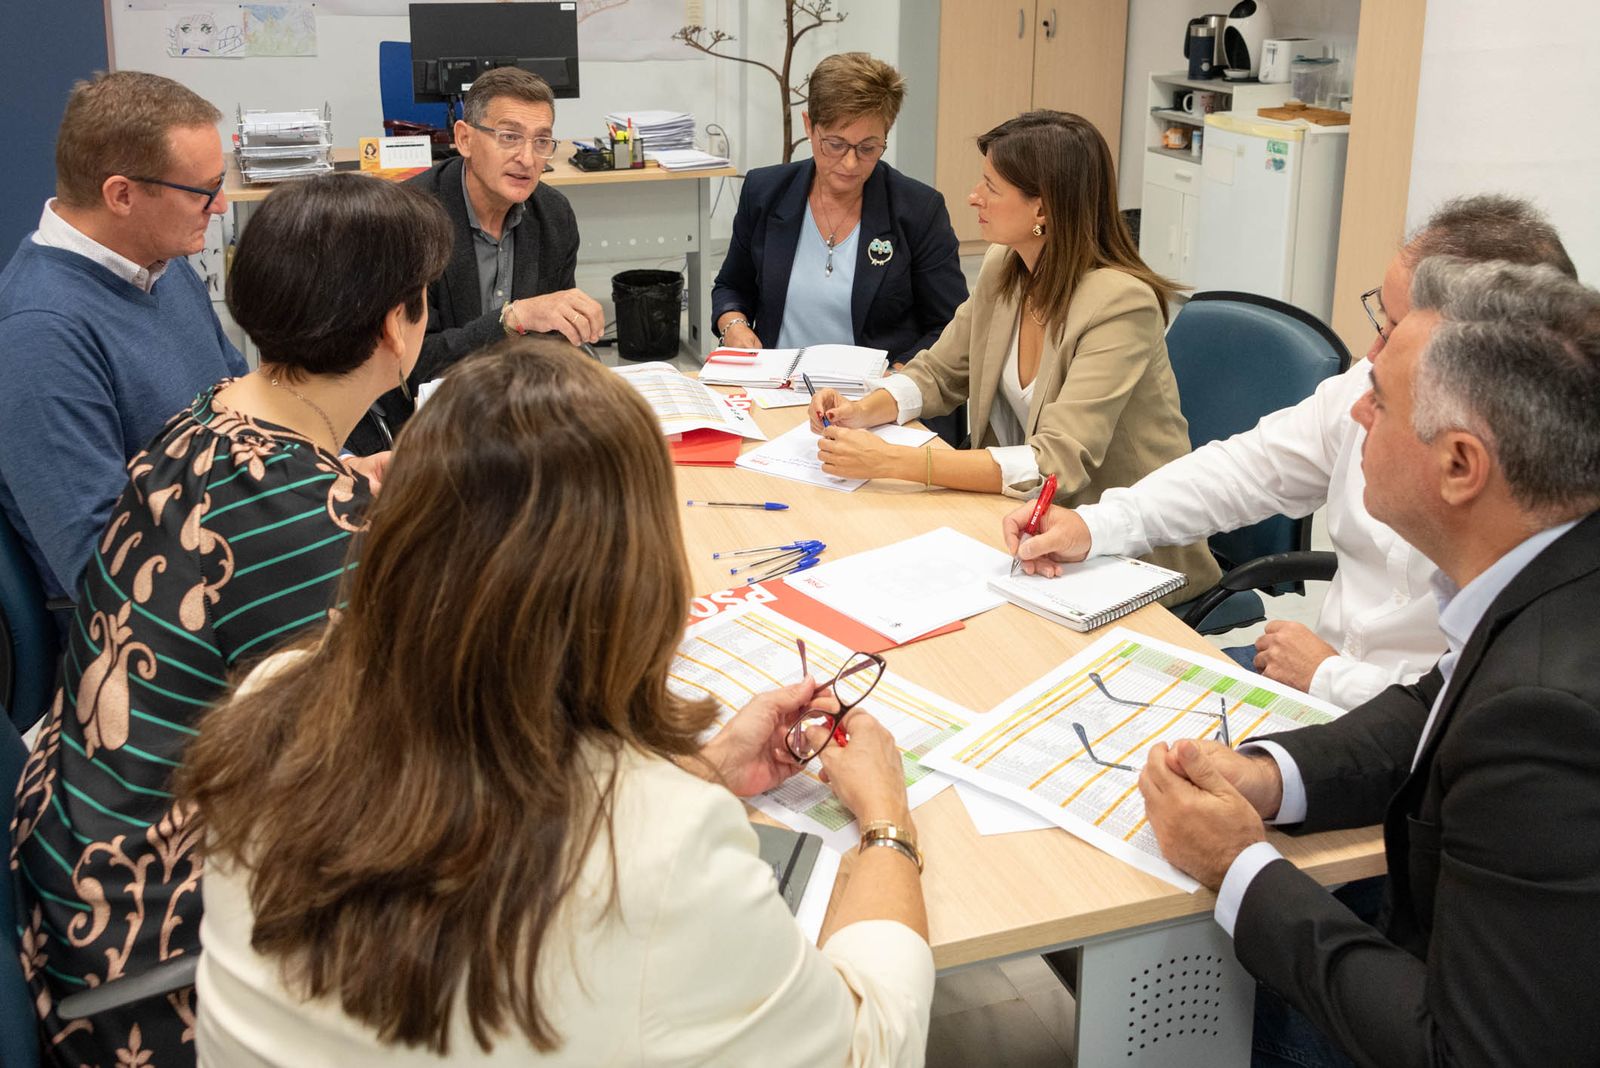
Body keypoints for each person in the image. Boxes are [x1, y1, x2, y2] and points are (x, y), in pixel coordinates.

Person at [178, 337, 935, 1066]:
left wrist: (706, 766)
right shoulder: (662, 848)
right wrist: (886, 821)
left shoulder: (273, 701)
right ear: (632, 575)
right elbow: (867, 1047)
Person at [9, 173, 454, 1067]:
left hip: (71, 866)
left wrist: (348, 492)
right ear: (392, 329)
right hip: (149, 962)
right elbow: (384, 781)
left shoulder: (202, 424)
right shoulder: (305, 519)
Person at [1139, 257, 1600, 1066]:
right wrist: (1268, 774)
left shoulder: (1549, 713)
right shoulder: (1549, 567)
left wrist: (1238, 863)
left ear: (1461, 465)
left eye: (1380, 402)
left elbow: (1468, 1052)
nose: (1356, 410)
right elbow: (1434, 706)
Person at [1004, 195, 1579, 707]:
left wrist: (1330, 676)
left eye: (1397, 327)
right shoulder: (1367, 388)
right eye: (1380, 314)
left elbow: (1482, 709)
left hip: (1374, 711)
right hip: (1307, 684)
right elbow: (1244, 471)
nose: (1372, 350)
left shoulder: (1538, 496)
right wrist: (1097, 526)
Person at [810, 110, 1218, 598]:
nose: (973, 197)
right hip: (1023, 533)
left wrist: (893, 462)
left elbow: (1056, 462)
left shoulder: (1120, 304)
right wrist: (862, 410)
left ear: (1041, 209)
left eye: (991, 187)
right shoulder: (1008, 265)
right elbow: (940, 372)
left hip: (1117, 555)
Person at [0, 71, 247, 602]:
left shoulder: (160, 263)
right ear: (121, 195)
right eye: (205, 192)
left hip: (219, 549)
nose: (222, 205)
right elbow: (104, 569)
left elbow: (241, 403)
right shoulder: (40, 334)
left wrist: (333, 474)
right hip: (146, 628)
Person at [349, 66, 604, 454]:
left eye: (541, 141)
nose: (527, 158)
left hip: (520, 419)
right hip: (431, 427)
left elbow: (553, 344)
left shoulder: (553, 215)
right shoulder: (408, 220)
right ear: (465, 139)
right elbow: (409, 370)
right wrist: (511, 319)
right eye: (509, 137)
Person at [711, 52, 966, 369]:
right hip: (776, 385)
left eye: (868, 148)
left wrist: (898, 381)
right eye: (835, 144)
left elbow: (951, 326)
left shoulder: (918, 210)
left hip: (871, 397)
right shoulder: (765, 192)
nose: (850, 162)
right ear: (809, 126)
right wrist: (733, 325)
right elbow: (732, 286)